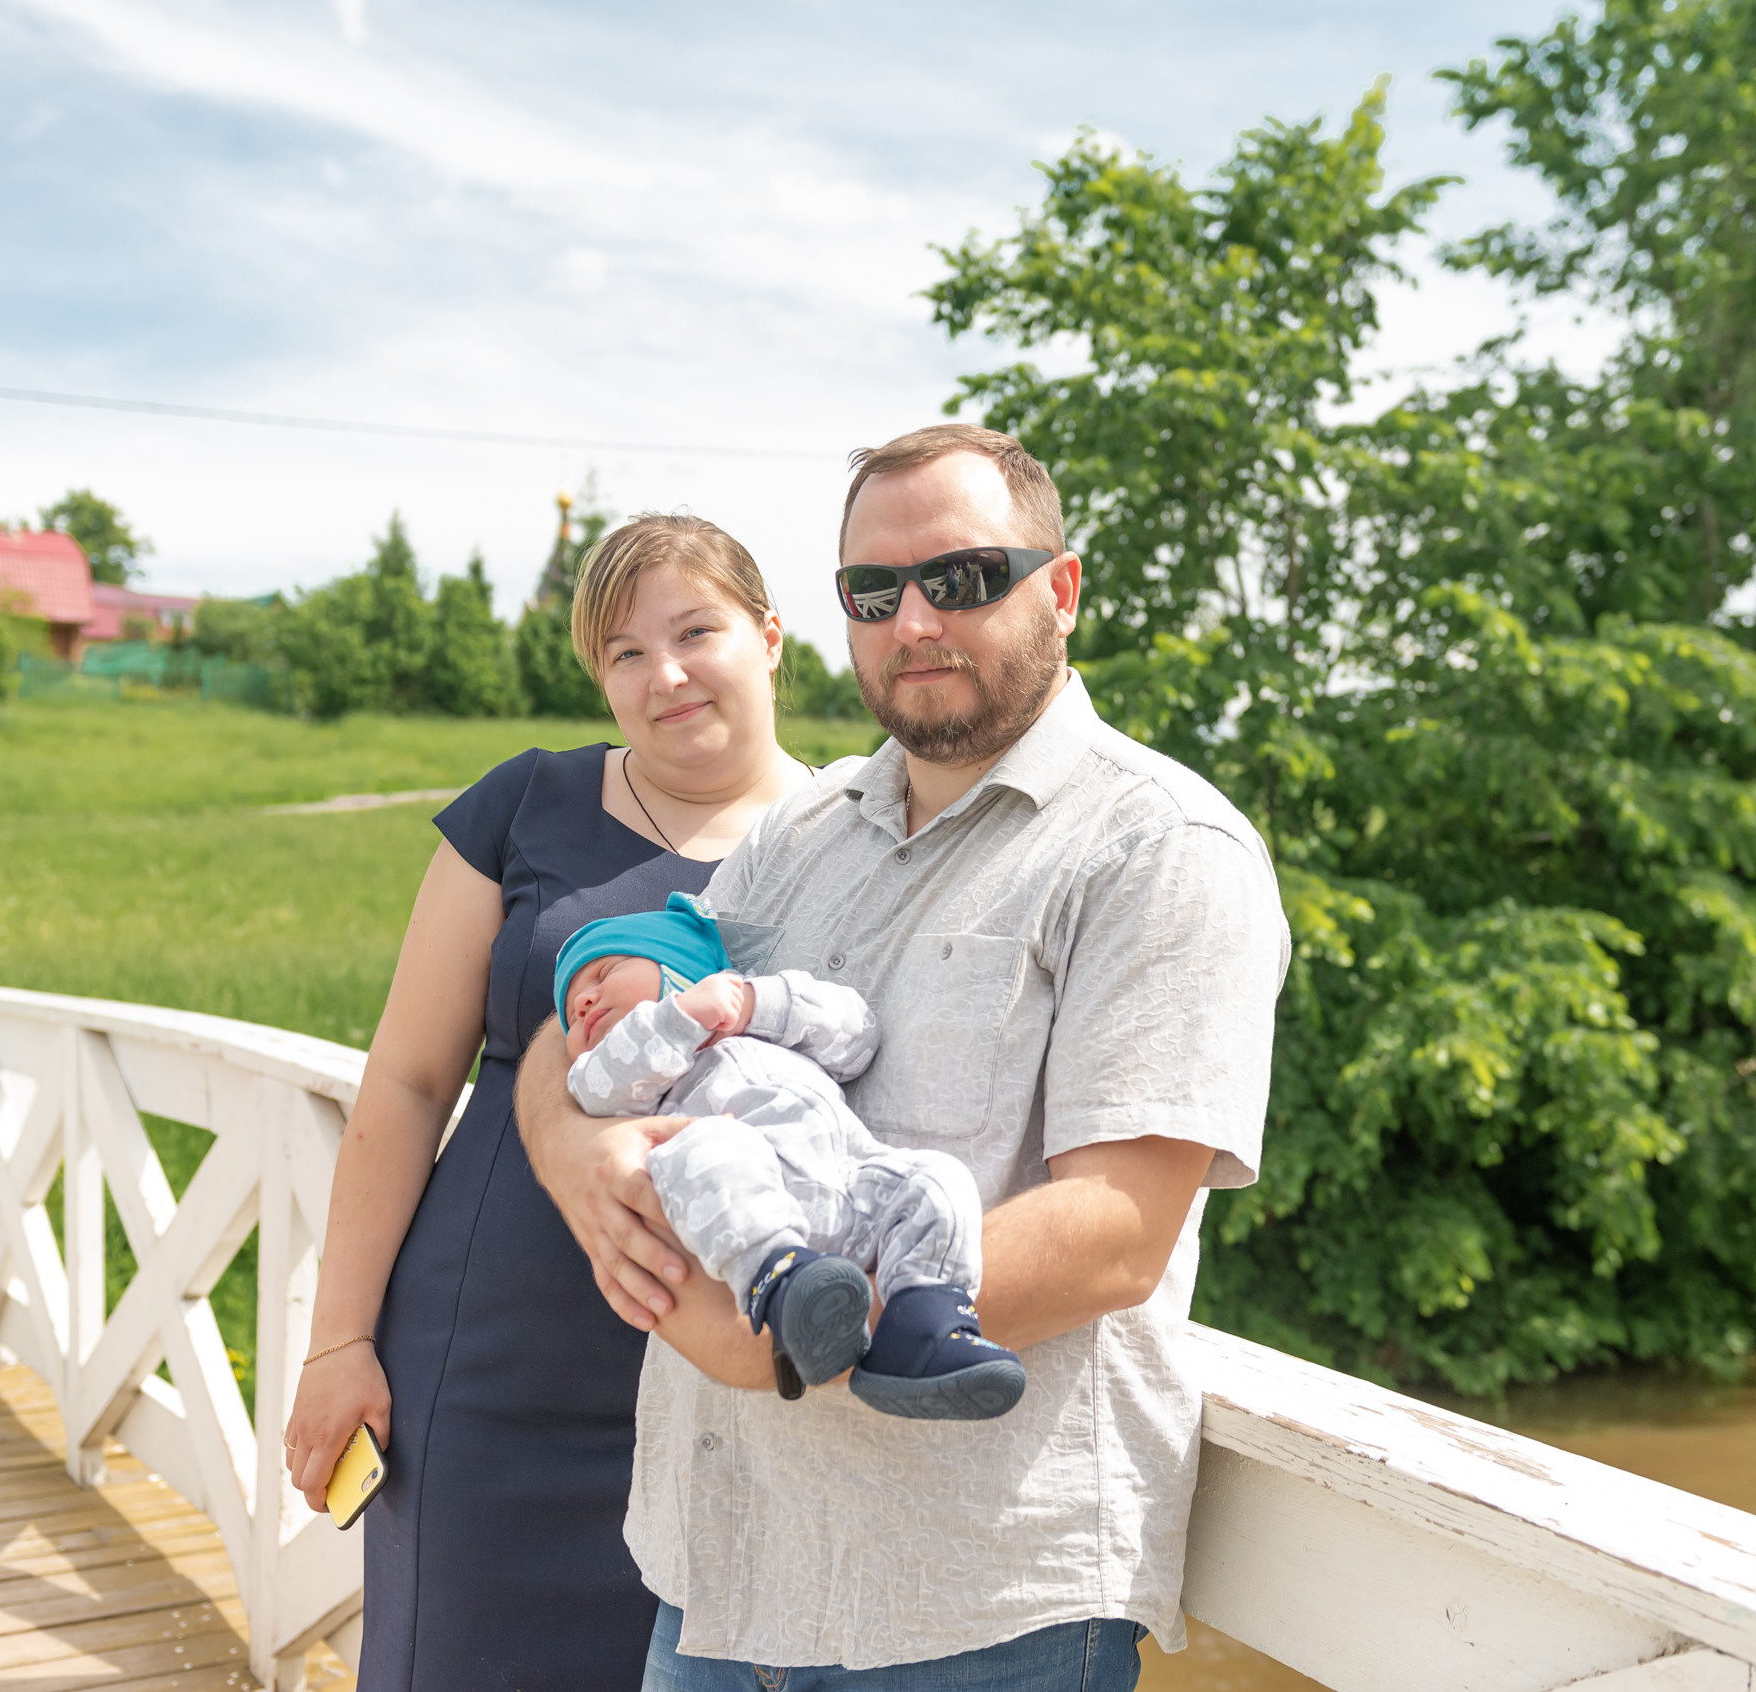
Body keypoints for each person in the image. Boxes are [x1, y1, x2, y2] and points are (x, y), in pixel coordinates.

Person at [516, 424, 1292, 1689]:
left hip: (970, 1604)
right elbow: (589, 1015)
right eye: (872, 593)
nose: (913, 619)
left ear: (1063, 587)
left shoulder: (1161, 850)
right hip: (717, 1574)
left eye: (964, 577)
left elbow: (1115, 1232)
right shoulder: (798, 833)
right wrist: (575, 1154)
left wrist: (764, 1334)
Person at [281, 514, 815, 1692]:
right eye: (622, 651)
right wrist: (339, 1339)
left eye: (694, 630)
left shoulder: (845, 843)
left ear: (770, 638)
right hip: (484, 1372)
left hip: (720, 1396)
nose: (662, 673)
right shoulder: (526, 804)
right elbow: (410, 1081)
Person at [551, 892, 1026, 1419]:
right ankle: (784, 1287)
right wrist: (678, 1019)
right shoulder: (630, 1079)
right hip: (749, 1204)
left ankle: (927, 1320)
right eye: (571, 1008)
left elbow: (856, 1037)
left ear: (678, 967)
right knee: (711, 1147)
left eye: (603, 973)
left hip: (851, 1183)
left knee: (935, 1179)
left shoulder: (765, 1028)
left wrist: (756, 1003)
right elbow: (598, 1087)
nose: (584, 1001)